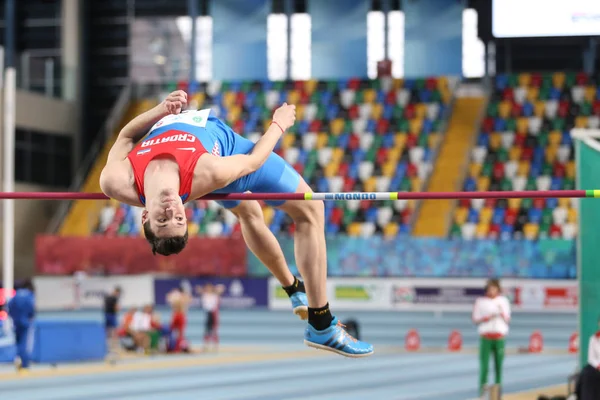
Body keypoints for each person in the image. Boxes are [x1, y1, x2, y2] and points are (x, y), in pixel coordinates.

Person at [99, 90, 373, 357]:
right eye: (178, 218)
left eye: (164, 218)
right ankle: (322, 324)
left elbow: (126, 135)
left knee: (249, 213)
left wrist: (160, 109)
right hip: (233, 157)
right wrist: (280, 123)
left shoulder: (117, 181)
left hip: (197, 140)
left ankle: (293, 288)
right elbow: (253, 161)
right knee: (312, 208)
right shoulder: (210, 171)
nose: (171, 210)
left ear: (144, 215)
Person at [472, 278, 511, 396]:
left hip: (499, 337)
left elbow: (508, 319)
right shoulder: (480, 301)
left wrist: (500, 313)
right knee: (484, 365)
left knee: (499, 365)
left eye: (494, 288)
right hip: (486, 337)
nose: (491, 291)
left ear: (498, 289)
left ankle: (498, 391)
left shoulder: (503, 301)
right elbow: (475, 319)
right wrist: (487, 317)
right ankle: (482, 392)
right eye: (489, 288)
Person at [7, 280, 36, 372]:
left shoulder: (15, 295)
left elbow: (9, 306)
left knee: (18, 342)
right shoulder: (29, 296)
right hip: (25, 322)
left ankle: (18, 359)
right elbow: (31, 308)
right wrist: (30, 317)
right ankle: (25, 363)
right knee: (24, 343)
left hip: (16, 322)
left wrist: (13, 317)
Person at [575, 317, 600, 400]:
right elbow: (591, 358)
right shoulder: (593, 338)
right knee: (586, 373)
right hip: (596, 368)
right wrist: (598, 366)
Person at [196, 283, 224, 352]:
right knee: (206, 330)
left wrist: (216, 290)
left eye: (209, 288)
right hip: (208, 313)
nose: (208, 289)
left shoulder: (215, 295)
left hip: (214, 313)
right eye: (207, 288)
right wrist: (201, 290)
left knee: (214, 330)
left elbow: (221, 289)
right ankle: (206, 345)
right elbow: (199, 291)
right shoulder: (204, 295)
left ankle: (215, 346)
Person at [166, 287, 191, 353]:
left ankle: (179, 347)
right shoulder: (179, 299)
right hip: (180, 316)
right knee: (179, 335)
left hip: (180, 316)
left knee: (179, 335)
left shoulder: (181, 299)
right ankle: (179, 347)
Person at [104, 286, 122, 354]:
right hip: (112, 315)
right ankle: (114, 345)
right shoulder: (115, 298)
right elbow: (116, 307)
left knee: (107, 329)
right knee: (114, 330)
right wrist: (117, 310)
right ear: (117, 292)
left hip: (106, 314)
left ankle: (107, 343)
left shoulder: (107, 297)